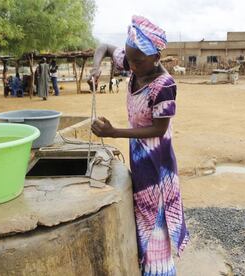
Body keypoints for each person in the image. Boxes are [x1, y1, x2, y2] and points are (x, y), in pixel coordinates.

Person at [89, 15, 188, 275]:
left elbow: (159, 129)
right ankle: (148, 265)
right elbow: (104, 47)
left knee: (155, 218)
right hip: (139, 153)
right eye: (129, 59)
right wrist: (96, 67)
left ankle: (159, 270)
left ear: (156, 57)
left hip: (157, 161)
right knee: (143, 214)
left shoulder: (164, 85)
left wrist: (113, 133)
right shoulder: (134, 61)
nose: (130, 66)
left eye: (138, 61)